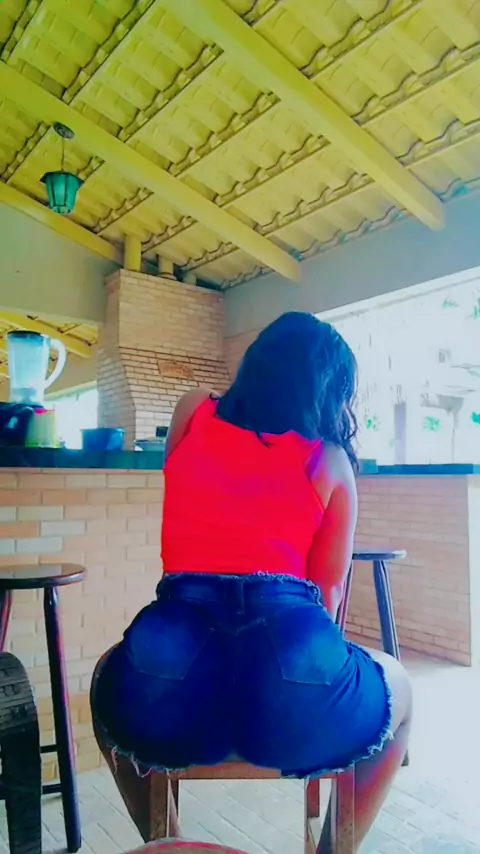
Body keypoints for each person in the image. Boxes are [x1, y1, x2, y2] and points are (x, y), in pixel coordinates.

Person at [91, 311, 412, 852]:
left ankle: (168, 842)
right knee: (398, 691)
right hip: (288, 702)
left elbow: (182, 495)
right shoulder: (330, 462)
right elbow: (329, 597)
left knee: (108, 685)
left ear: (256, 363)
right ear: (328, 390)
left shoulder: (193, 410)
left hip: (178, 681)